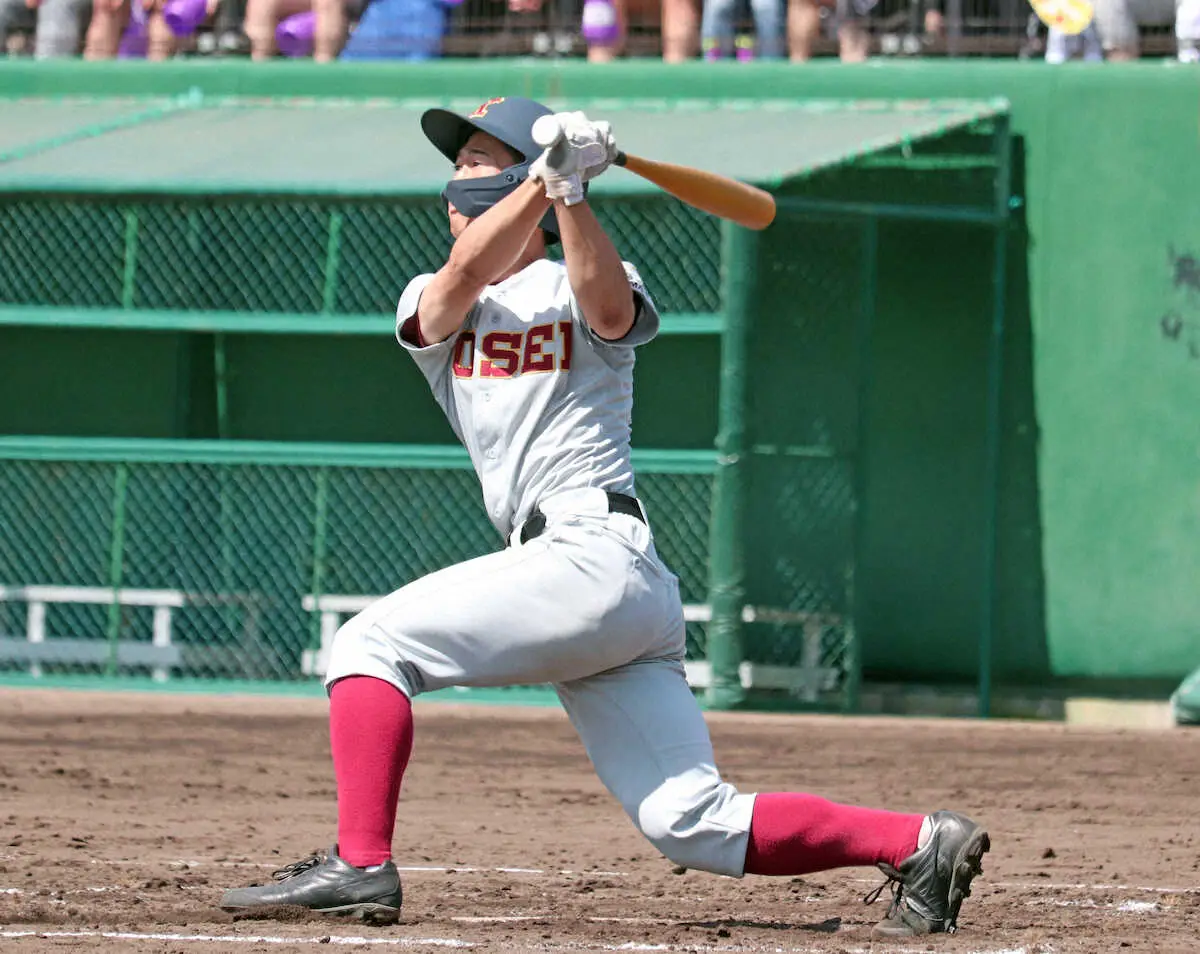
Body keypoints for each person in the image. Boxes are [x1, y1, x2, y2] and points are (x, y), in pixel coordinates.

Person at [219, 96, 992, 939]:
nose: (456, 179)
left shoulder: (583, 270)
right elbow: (460, 284)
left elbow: (610, 312)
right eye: (460, 163)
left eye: (478, 158)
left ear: (521, 172)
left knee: (367, 644)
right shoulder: (435, 296)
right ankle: (918, 844)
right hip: (581, 577)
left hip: (596, 551)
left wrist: (572, 198)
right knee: (691, 822)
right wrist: (543, 178)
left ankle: (361, 863)